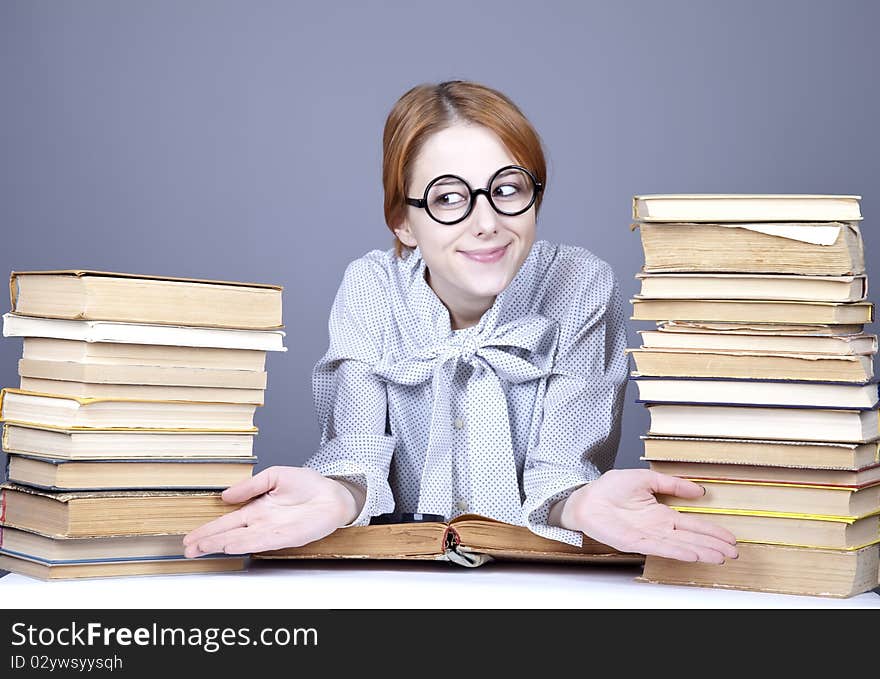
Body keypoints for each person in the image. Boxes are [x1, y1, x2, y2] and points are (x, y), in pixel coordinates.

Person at [183, 80, 738, 564]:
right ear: (402, 221)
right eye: (449, 198)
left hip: (545, 582)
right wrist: (339, 495)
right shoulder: (371, 287)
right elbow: (357, 453)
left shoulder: (580, 282)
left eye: (507, 190)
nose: (487, 223)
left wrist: (584, 501)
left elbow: (562, 470)